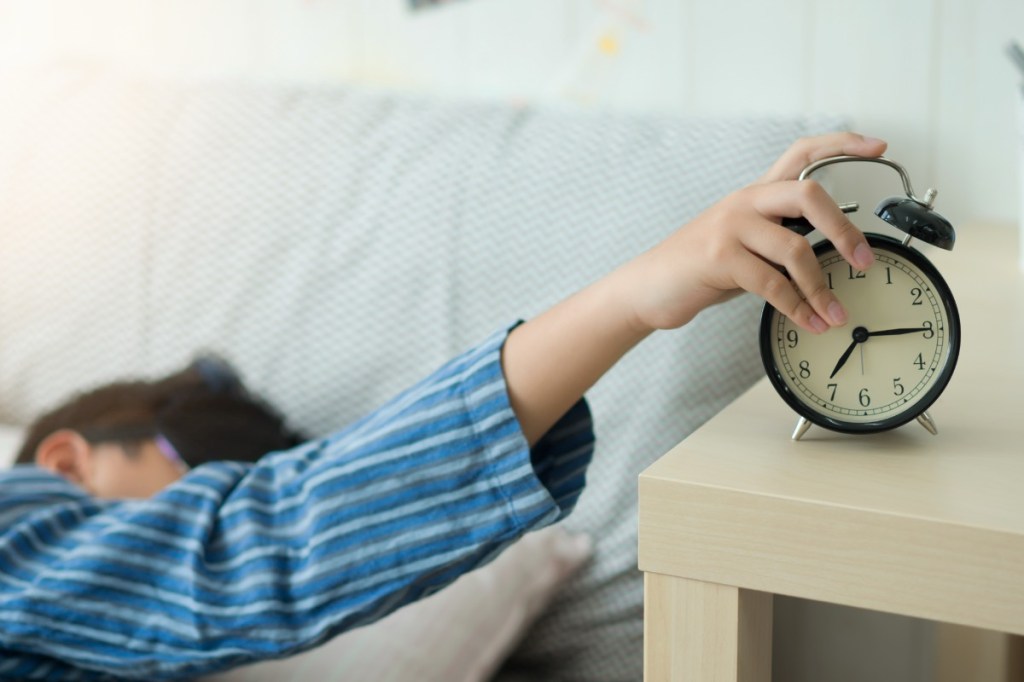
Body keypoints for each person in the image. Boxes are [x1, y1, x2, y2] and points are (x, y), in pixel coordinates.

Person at [0, 132, 885, 680]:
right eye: (189, 493)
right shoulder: (26, 527)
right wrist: (630, 299)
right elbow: (255, 546)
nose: (195, 523)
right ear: (67, 465)